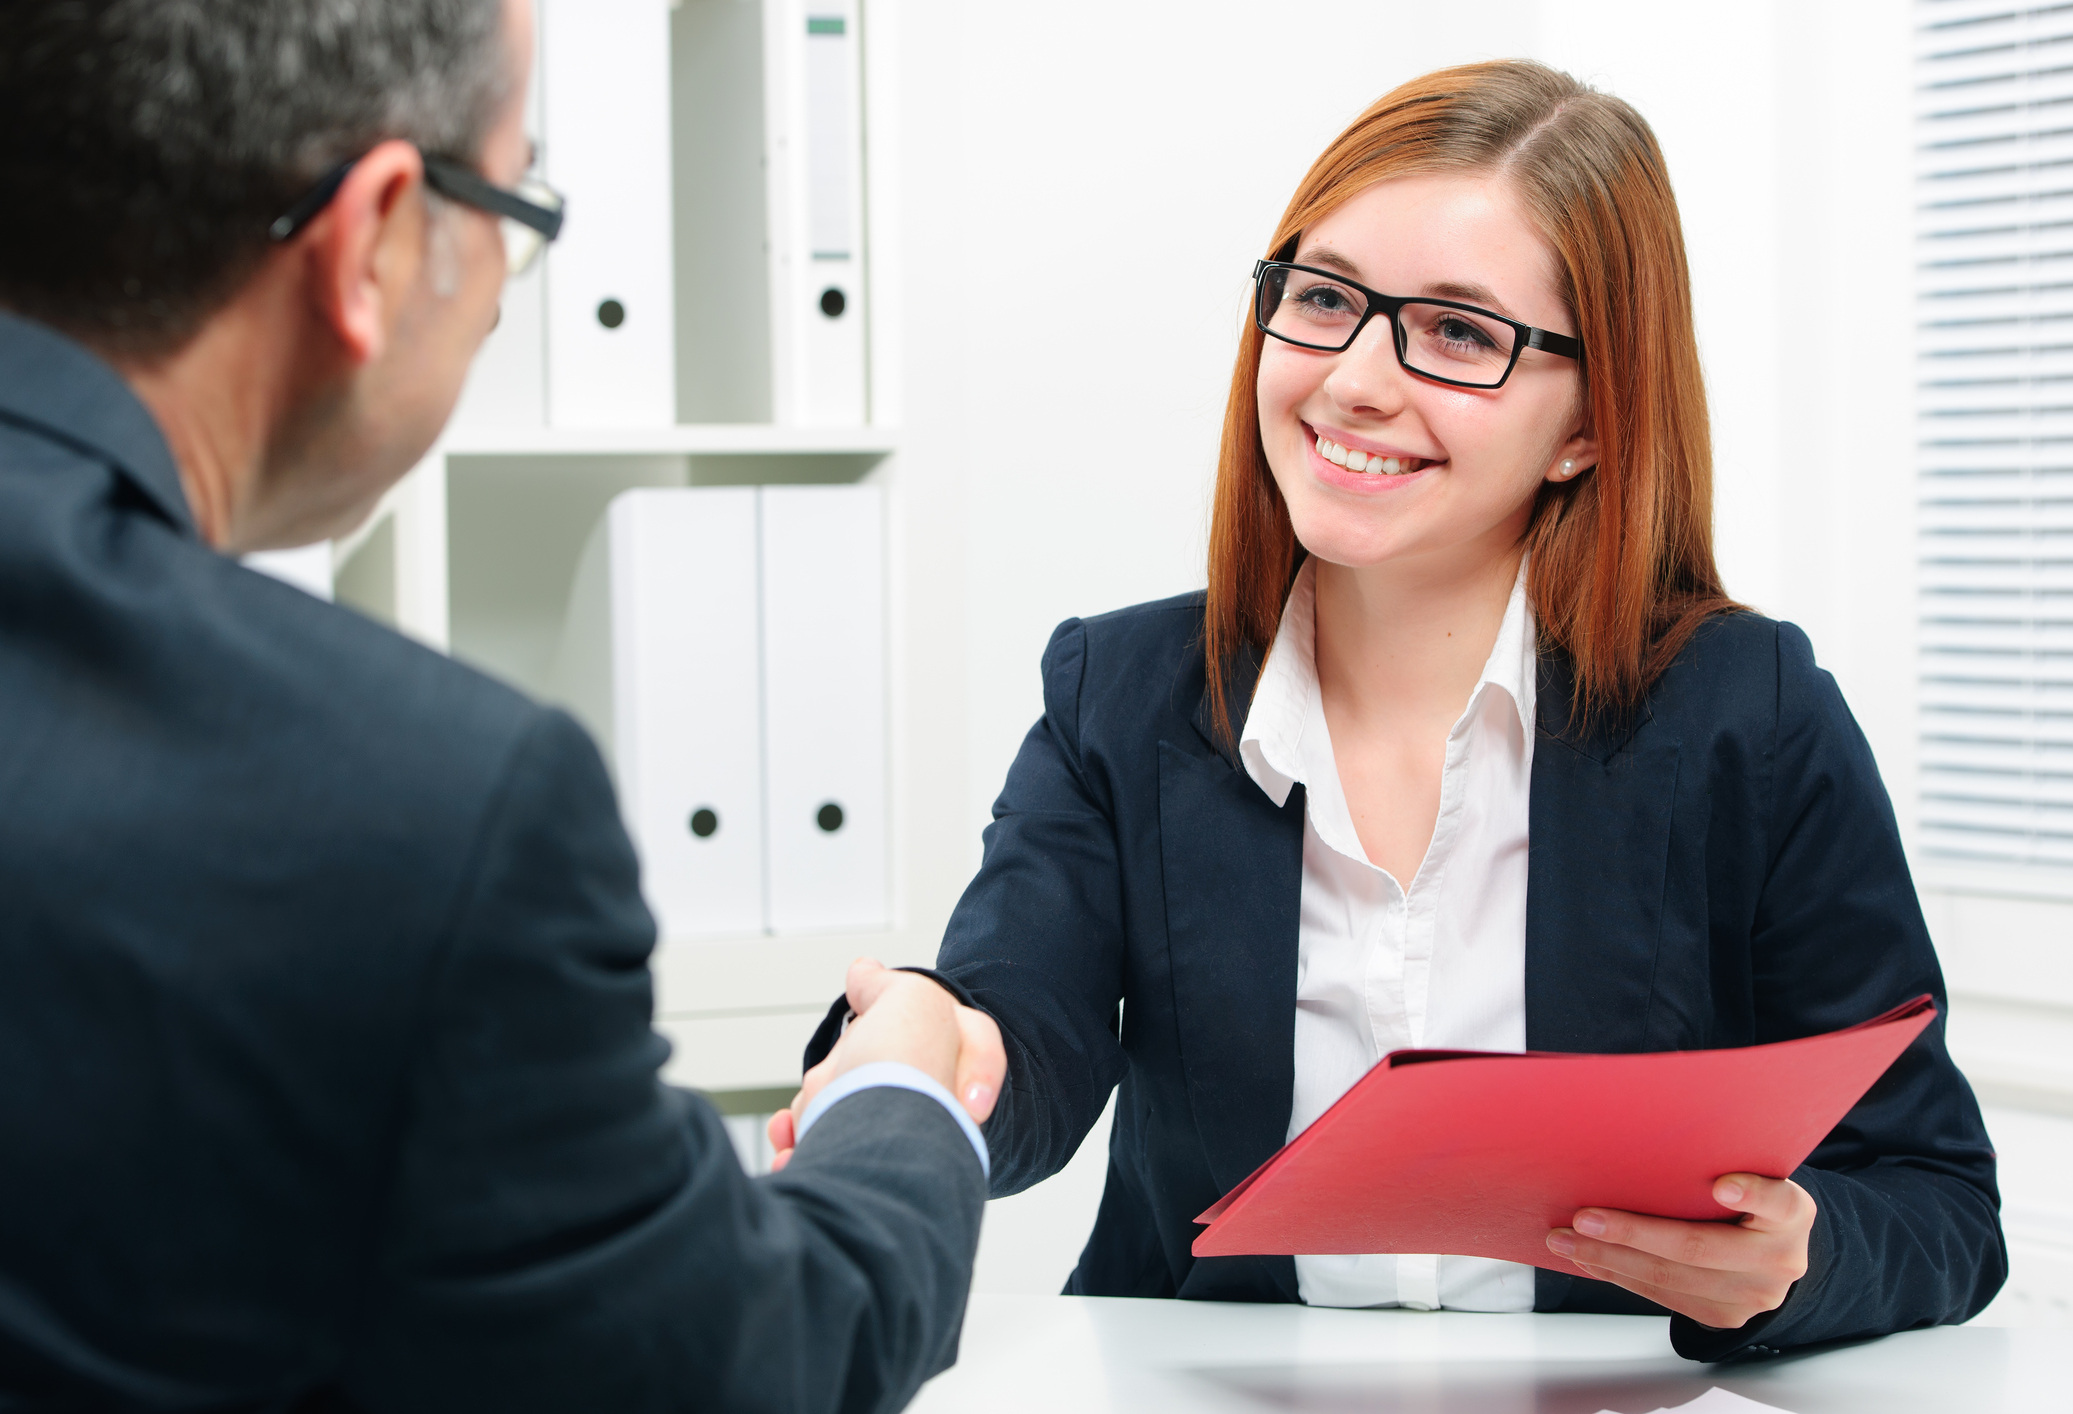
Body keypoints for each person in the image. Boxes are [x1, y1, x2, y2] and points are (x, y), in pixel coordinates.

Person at [789, 60, 2005, 1360]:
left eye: (1459, 334)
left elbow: (1936, 1200)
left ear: (1587, 423)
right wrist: (939, 1044)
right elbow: (1019, 1029)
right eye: (1321, 300)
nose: (1356, 379)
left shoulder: (1745, 716)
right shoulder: (1122, 697)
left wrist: (1795, 1255)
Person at [0, 2, 1000, 1408]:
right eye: (517, 208)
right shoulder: (416, 807)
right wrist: (902, 1092)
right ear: (377, 237)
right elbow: (749, 1363)